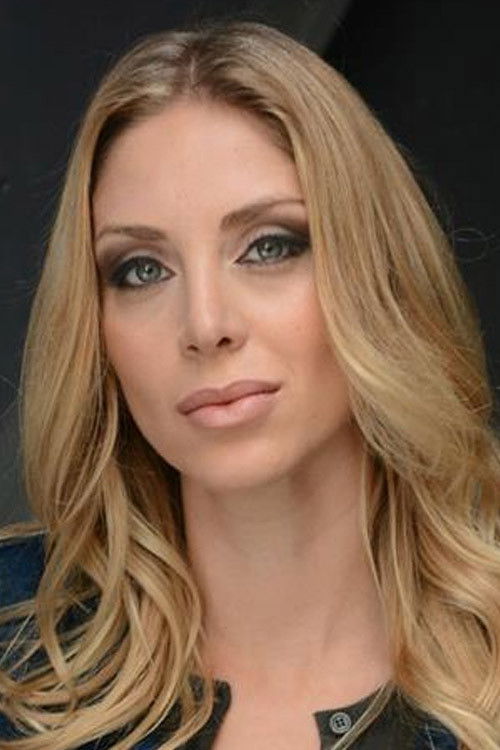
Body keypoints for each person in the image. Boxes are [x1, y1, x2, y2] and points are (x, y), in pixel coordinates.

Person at [0, 19, 499, 750]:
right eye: (142, 269)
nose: (205, 324)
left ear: (377, 273)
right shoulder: (14, 650)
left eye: (268, 247)